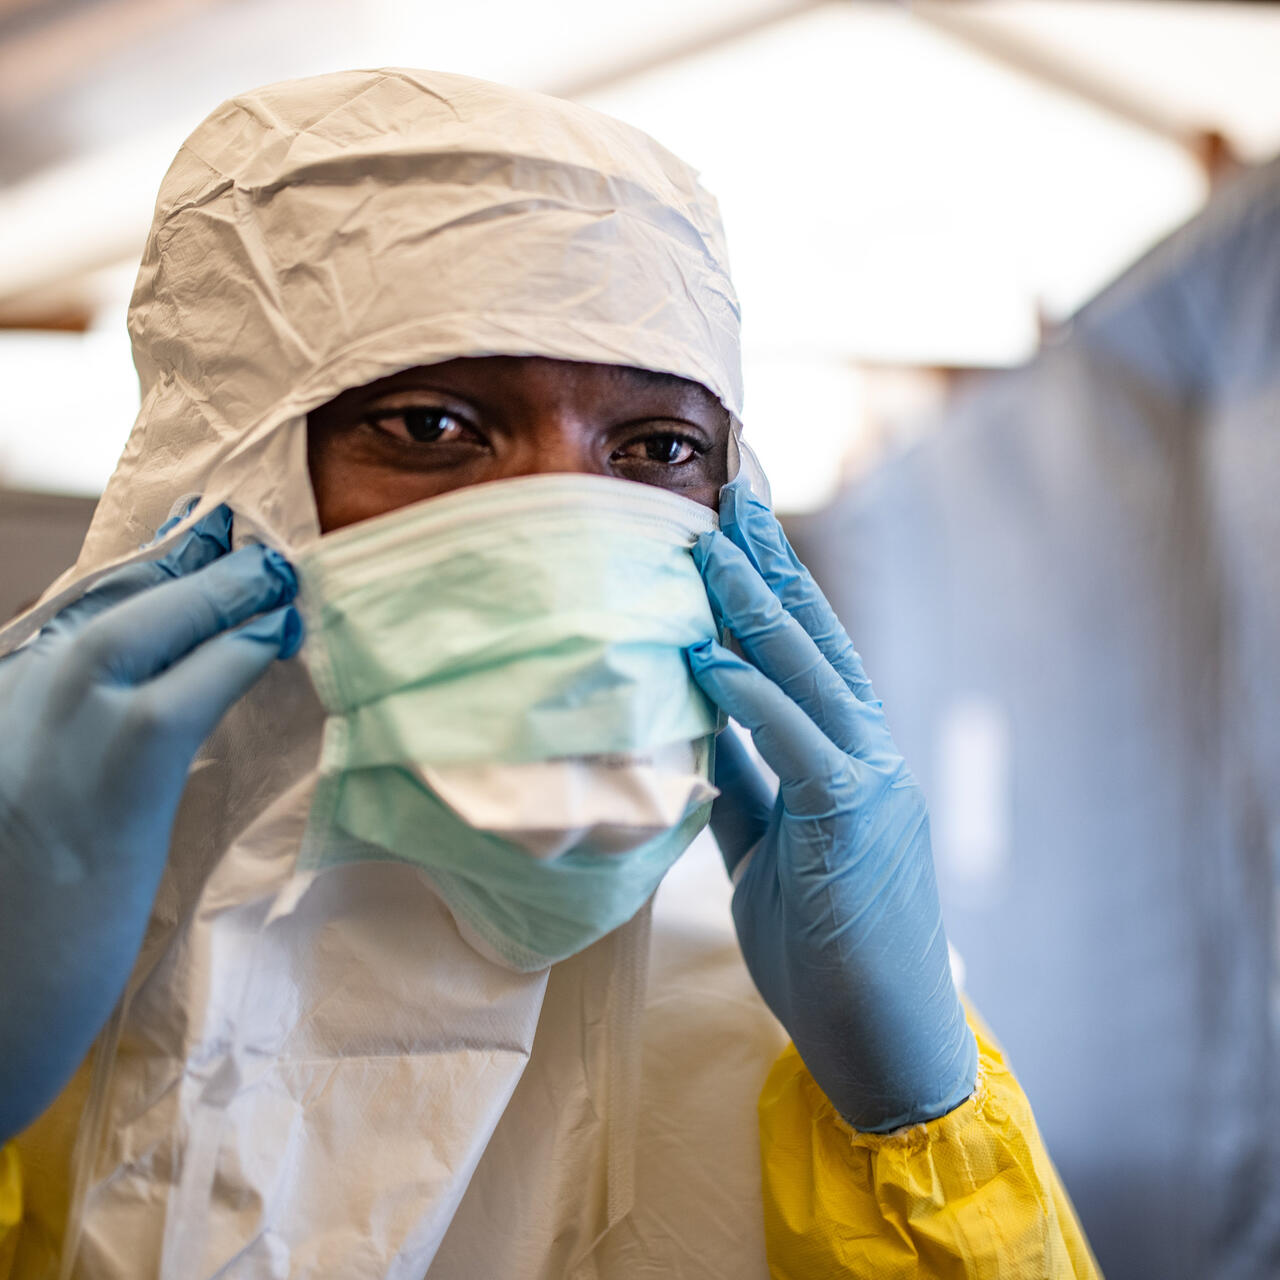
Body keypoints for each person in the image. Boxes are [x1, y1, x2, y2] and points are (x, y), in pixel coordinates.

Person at [0, 69, 1099, 1278]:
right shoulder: (39, 936)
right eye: (432, 426)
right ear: (229, 470)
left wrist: (918, 1117)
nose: (564, 525)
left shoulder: (819, 1014)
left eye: (656, 448)